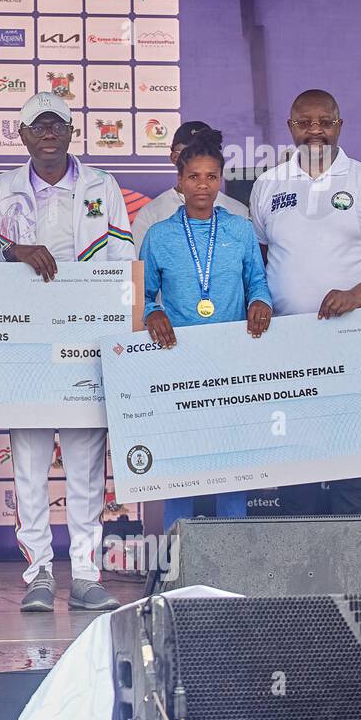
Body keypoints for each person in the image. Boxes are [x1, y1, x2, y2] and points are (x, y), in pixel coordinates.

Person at [0, 91, 135, 613]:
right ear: (21, 136)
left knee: (87, 466)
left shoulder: (100, 186)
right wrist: (13, 251)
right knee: (30, 464)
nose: (48, 133)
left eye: (57, 125)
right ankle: (39, 571)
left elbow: (123, 254)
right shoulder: (2, 188)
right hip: (27, 344)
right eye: (38, 126)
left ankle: (85, 573)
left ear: (70, 132)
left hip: (85, 341)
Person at [250, 89, 361, 516]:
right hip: (287, 346)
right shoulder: (268, 185)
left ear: (339, 125)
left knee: (352, 459)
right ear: (290, 128)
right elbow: (260, 261)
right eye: (305, 122)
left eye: (325, 121)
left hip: (351, 345)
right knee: (296, 461)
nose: (315, 131)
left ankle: (357, 577)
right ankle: (300, 574)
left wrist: (354, 296)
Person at [139, 129, 273, 530]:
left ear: (221, 180)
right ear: (179, 182)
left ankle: (232, 563)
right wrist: (151, 313)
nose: (203, 185)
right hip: (178, 361)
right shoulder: (159, 236)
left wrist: (260, 303)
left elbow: (259, 283)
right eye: (194, 176)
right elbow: (140, 296)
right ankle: (176, 565)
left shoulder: (240, 229)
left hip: (231, 360)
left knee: (231, 463)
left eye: (211, 176)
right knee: (182, 463)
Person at [130, 120, 250, 251]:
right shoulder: (151, 214)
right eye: (192, 151)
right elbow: (141, 268)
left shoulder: (239, 212)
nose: (201, 157)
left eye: (208, 150)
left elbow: (251, 268)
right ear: (175, 157)